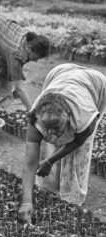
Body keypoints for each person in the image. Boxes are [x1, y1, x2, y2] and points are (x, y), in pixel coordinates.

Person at [19, 63, 106, 223]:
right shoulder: (35, 119)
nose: (51, 134)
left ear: (68, 116)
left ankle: (72, 194)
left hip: (94, 84)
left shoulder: (84, 116)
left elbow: (78, 142)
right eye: (47, 128)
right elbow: (30, 163)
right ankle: (49, 184)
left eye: (57, 127)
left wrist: (50, 161)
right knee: (49, 147)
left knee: (78, 155)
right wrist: (26, 202)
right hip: (60, 73)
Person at [0, 14, 50, 116]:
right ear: (30, 49)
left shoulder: (29, 39)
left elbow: (13, 74)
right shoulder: (16, 54)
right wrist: (32, 111)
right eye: (37, 57)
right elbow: (20, 89)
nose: (36, 61)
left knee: (6, 71)